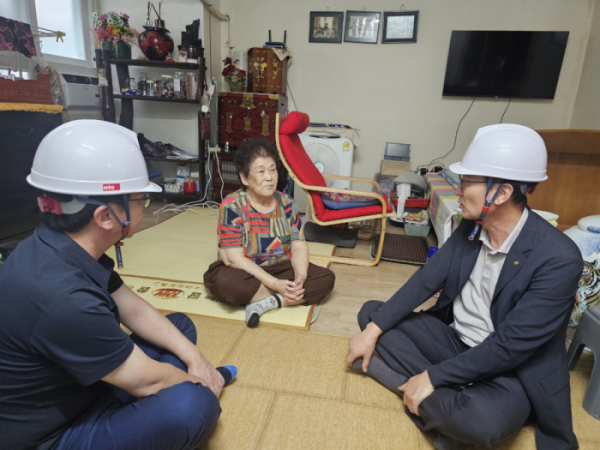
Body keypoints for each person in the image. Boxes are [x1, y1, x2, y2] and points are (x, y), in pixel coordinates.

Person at [0, 120, 236, 450]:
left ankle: (147, 398)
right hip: (54, 433)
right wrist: (203, 383)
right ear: (106, 217)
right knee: (192, 405)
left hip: (86, 382)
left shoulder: (63, 244)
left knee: (179, 327)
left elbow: (132, 307)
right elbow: (150, 379)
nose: (146, 205)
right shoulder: (63, 298)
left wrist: (196, 359)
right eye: (141, 198)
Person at [346, 124, 583, 450]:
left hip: (509, 371)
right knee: (373, 316)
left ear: (500, 193)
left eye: (466, 182)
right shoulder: (472, 226)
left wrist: (432, 378)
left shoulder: (559, 258)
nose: (457, 191)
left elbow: (508, 347)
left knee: (480, 423)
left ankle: (409, 386)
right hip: (453, 343)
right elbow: (426, 281)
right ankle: (441, 408)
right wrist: (371, 332)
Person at [204, 137, 335, 327]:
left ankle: (269, 302)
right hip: (244, 269)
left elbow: (298, 246)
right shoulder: (232, 206)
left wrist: (300, 277)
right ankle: (286, 296)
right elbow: (235, 259)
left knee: (326, 278)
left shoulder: (287, 203)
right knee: (228, 285)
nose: (269, 177)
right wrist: (275, 284)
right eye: (261, 171)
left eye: (272, 169)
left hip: (281, 266)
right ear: (244, 177)